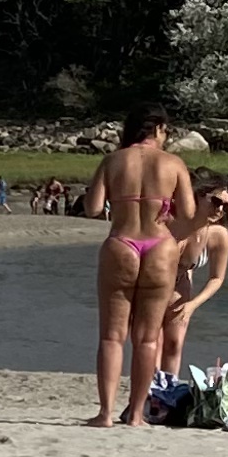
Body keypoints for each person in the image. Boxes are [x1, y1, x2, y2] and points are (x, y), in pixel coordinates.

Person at [80, 108, 196, 425]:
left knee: (111, 336)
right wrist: (166, 208)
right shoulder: (173, 163)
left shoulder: (112, 160)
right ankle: (135, 414)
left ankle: (105, 413)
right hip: (160, 247)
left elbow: (92, 208)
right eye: (166, 131)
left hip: (122, 242)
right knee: (147, 339)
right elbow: (188, 213)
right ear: (157, 128)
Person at [159, 182, 228, 377]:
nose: (220, 210)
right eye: (216, 202)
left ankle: (169, 386)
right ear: (198, 196)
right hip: (153, 284)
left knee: (174, 345)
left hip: (180, 286)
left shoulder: (218, 235)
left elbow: (217, 278)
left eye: (226, 206)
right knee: (153, 342)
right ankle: (150, 387)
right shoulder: (172, 222)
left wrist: (192, 305)